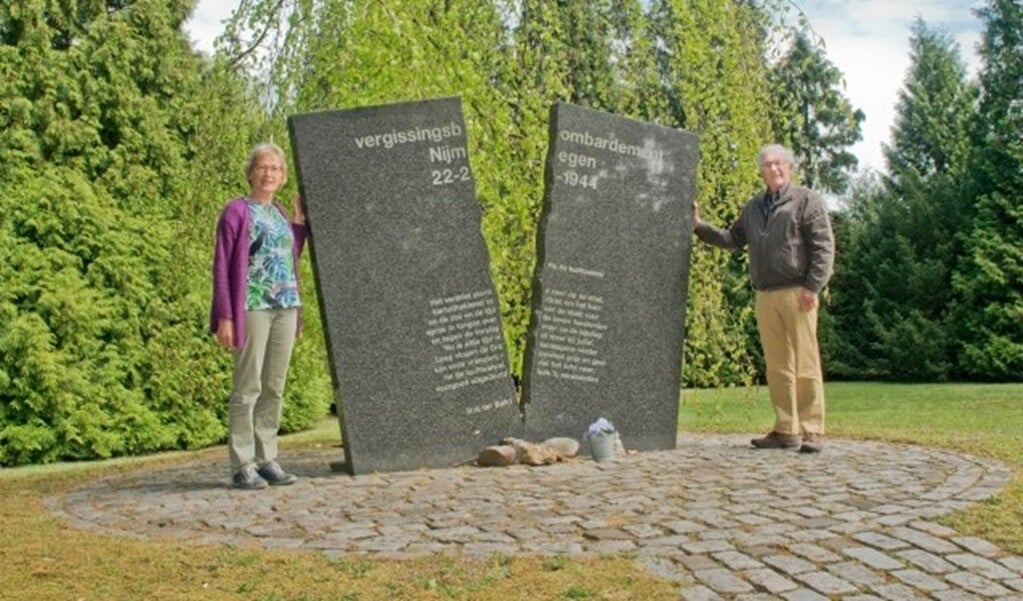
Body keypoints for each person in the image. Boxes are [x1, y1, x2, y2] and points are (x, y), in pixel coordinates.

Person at [692, 143, 834, 453]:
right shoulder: (754, 207)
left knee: (806, 363)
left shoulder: (806, 201)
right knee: (777, 365)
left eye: (778, 163)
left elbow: (824, 247)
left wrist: (813, 287)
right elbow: (732, 239)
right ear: (761, 171)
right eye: (767, 165)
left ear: (790, 168)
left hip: (799, 292)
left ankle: (812, 430)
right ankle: (786, 429)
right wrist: (699, 227)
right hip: (766, 294)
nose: (773, 169)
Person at [210, 142, 307, 488]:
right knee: (247, 387)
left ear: (282, 177)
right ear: (251, 172)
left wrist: (297, 224)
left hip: (286, 306)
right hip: (252, 306)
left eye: (276, 169)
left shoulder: (280, 213)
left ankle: (267, 459)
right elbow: (222, 266)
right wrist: (225, 315)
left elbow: (288, 254)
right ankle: (242, 463)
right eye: (263, 167)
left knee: (274, 386)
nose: (269, 173)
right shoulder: (236, 211)